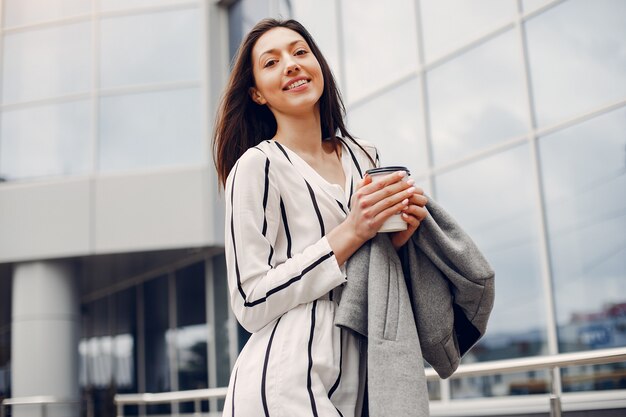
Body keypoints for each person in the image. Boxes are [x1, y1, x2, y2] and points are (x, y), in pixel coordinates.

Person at [212, 18, 429, 416]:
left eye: (299, 52)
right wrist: (351, 231)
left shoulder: (364, 155)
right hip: (285, 379)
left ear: (318, 66)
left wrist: (398, 239)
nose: (291, 65)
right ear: (257, 94)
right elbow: (248, 300)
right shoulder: (257, 165)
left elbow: (371, 269)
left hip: (361, 371)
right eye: (271, 62)